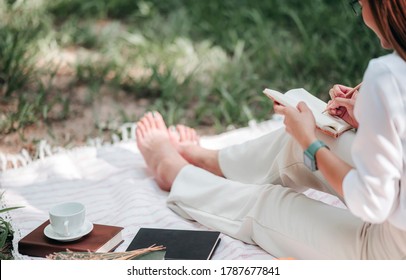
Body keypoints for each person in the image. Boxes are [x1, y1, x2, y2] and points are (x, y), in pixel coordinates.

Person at [135, 0, 406, 259]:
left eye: (360, 2)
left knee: (268, 205)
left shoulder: (388, 75)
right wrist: (372, 120)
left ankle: (175, 173)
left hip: (391, 252)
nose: (360, 11)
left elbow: (373, 203)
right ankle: (212, 162)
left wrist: (310, 142)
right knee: (313, 137)